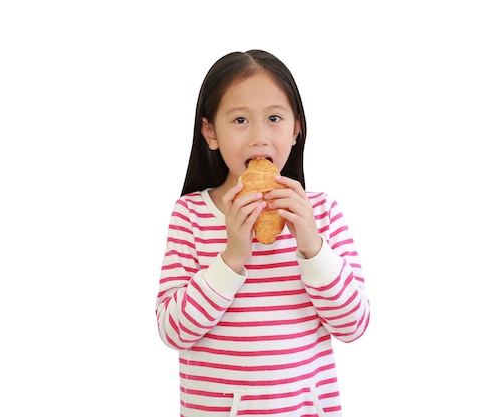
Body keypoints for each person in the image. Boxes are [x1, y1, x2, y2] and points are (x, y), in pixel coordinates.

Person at [156, 49, 370, 417]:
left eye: (274, 118)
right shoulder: (190, 214)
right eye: (240, 119)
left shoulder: (321, 213)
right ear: (210, 132)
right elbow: (173, 331)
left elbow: (354, 325)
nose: (259, 136)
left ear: (296, 128)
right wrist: (231, 258)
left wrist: (312, 248)